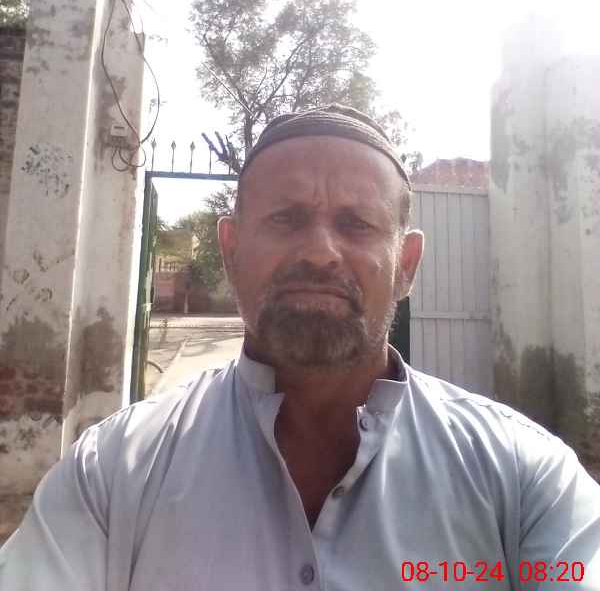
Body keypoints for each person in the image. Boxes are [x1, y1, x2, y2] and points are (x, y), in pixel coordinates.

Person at [1, 104, 599, 590]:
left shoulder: (524, 477)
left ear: (407, 265)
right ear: (231, 251)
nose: (319, 252)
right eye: (286, 219)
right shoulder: (112, 472)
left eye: (356, 224)